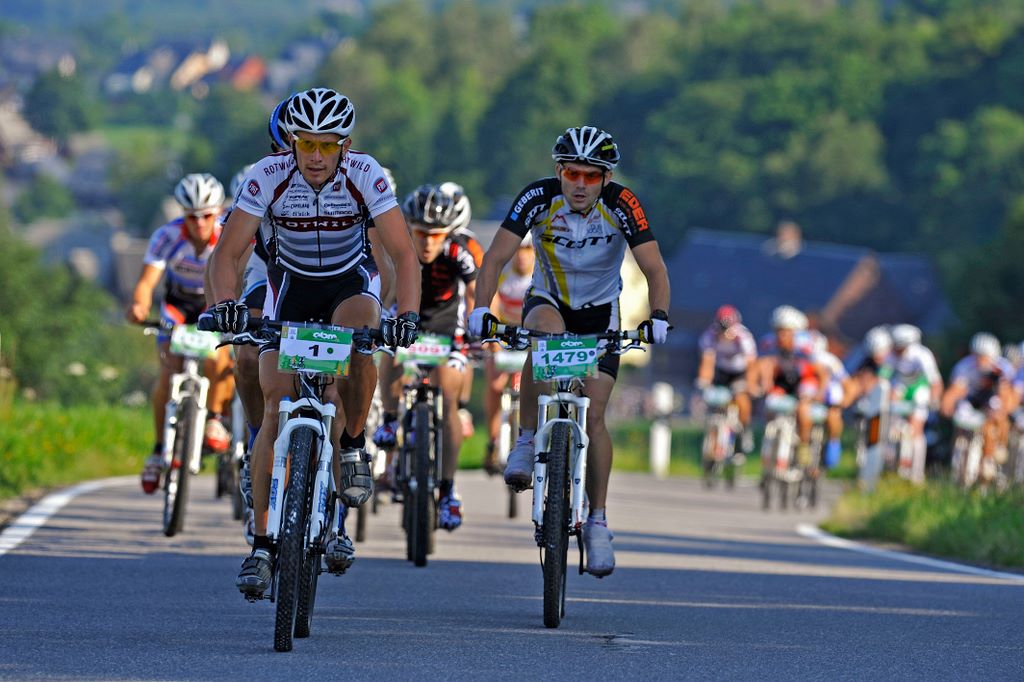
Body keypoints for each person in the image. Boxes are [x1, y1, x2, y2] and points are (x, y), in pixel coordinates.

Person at [203, 87, 421, 597]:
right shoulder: (268, 175)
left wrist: (408, 316)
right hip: (291, 288)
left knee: (362, 337)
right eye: (306, 144)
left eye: (327, 145)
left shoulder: (366, 174)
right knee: (274, 407)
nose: (316, 156)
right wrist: (226, 303)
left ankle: (352, 446)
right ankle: (261, 545)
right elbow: (227, 253)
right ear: (292, 143)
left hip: (348, 284)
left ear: (345, 146)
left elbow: (403, 254)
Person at [469, 125, 672, 577]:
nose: (580, 184)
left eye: (591, 176)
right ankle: (526, 441)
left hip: (601, 314)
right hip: (549, 302)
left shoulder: (622, 203)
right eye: (571, 173)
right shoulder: (538, 197)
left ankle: (597, 521)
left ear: (606, 178)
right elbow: (496, 257)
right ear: (558, 171)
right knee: (544, 339)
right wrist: (481, 308)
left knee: (594, 417)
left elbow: (654, 267)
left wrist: (658, 315)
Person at [373, 182, 478, 531]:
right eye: (420, 233)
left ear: (448, 232)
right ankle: (390, 418)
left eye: (436, 235)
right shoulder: (398, 247)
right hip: (409, 319)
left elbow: (475, 293)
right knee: (390, 348)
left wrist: (480, 326)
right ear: (409, 229)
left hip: (447, 328)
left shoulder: (459, 251)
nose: (428, 242)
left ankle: (447, 490)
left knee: (448, 396)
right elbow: (385, 289)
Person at [127, 173, 236, 493]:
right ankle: (159, 448)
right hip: (176, 306)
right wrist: (138, 305)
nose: (199, 223)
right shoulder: (167, 236)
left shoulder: (228, 234)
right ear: (182, 214)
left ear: (217, 212)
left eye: (206, 216)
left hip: (211, 304)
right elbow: (147, 281)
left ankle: (214, 418)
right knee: (168, 372)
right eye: (191, 216)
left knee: (218, 359)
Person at [480, 233, 535, 474]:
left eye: (528, 249)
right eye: (518, 249)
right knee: (495, 385)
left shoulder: (540, 275)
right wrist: (492, 341)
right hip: (505, 337)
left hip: (531, 338)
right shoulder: (503, 274)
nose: (522, 255)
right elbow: (492, 304)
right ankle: (493, 442)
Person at [755, 305, 829, 473]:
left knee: (802, 408)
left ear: (796, 332)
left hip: (804, 381)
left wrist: (820, 392)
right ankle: (770, 440)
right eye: (778, 331)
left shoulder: (806, 346)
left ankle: (803, 446)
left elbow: (822, 373)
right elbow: (762, 365)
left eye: (786, 332)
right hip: (783, 381)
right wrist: (763, 383)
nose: (781, 336)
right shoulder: (768, 343)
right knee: (769, 404)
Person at [941, 332, 1015, 482]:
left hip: (992, 400)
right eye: (977, 355)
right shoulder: (964, 366)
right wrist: (947, 405)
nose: (980, 360)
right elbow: (956, 390)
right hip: (972, 399)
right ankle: (960, 460)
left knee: (995, 417)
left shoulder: (1002, 368)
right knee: (961, 418)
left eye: (984, 356)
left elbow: (1007, 397)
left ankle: (992, 456)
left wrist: (1002, 412)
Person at [883, 324, 943, 483]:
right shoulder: (891, 356)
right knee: (891, 423)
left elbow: (935, 382)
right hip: (900, 387)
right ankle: (891, 462)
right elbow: (883, 378)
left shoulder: (922, 355)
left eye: (898, 346)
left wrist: (934, 400)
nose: (895, 349)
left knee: (916, 428)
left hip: (919, 389)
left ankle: (917, 474)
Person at [695, 305, 757, 458]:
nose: (724, 334)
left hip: (739, 373)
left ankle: (745, 430)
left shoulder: (743, 337)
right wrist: (704, 381)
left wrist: (750, 384)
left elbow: (751, 364)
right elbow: (707, 362)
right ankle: (713, 440)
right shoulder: (710, 336)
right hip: (721, 372)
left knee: (741, 399)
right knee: (715, 402)